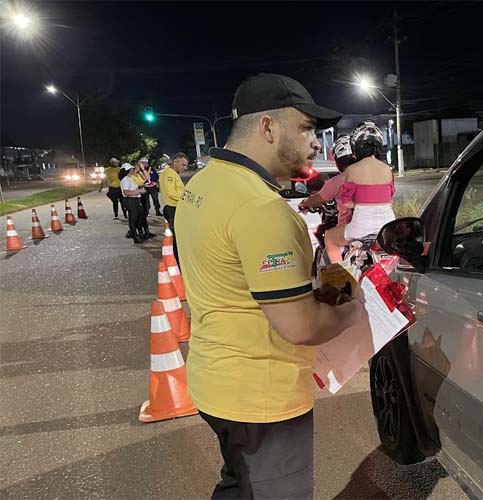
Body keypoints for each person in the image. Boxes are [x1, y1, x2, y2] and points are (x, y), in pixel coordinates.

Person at [176, 73, 365, 499]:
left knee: (240, 484)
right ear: (267, 127)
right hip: (261, 398)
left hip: (215, 381)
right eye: (306, 128)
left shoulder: (202, 184)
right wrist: (355, 310)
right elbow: (301, 326)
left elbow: (231, 275)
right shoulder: (262, 208)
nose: (316, 143)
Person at [324, 121, 396, 263]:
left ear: (356, 146)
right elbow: (390, 197)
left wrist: (362, 202)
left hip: (361, 227)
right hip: (388, 226)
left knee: (330, 237)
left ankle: (339, 274)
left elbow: (347, 202)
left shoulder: (352, 170)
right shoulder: (387, 169)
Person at [297, 134, 355, 224]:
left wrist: (304, 204)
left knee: (330, 233)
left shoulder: (337, 182)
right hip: (374, 226)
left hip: (348, 227)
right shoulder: (371, 176)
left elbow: (317, 198)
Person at [160, 152, 189, 264]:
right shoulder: (168, 174)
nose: (184, 168)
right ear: (175, 162)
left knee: (180, 236)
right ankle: (179, 262)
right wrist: (186, 197)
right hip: (172, 208)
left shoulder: (173, 173)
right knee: (178, 237)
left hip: (176, 208)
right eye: (183, 165)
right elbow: (171, 192)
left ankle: (181, 259)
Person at [119, 163, 147, 244]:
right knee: (133, 219)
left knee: (141, 216)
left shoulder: (131, 178)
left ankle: (134, 232)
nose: (133, 170)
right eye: (132, 169)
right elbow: (126, 192)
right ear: (128, 170)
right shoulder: (125, 180)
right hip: (130, 200)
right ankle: (135, 236)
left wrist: (141, 188)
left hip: (136, 200)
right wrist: (139, 191)